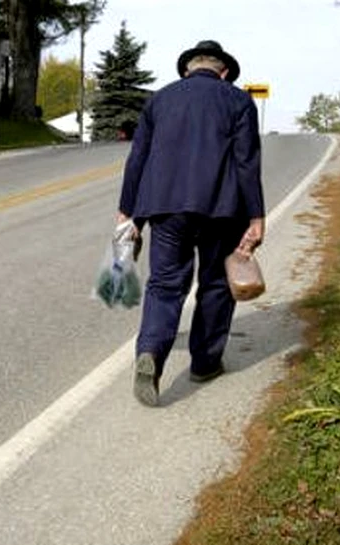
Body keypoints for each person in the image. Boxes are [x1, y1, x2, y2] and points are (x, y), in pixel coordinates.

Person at [116, 40, 265, 407]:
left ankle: (150, 350)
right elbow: (246, 161)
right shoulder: (238, 101)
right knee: (215, 284)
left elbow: (138, 159)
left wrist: (128, 212)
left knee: (165, 285)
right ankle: (205, 362)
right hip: (222, 209)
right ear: (224, 71)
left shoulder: (160, 100)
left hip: (165, 210)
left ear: (187, 69)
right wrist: (257, 215)